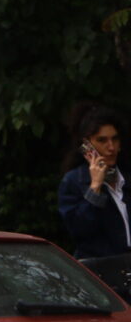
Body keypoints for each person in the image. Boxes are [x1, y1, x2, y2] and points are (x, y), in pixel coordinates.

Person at [58, 105, 130, 261]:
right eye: (102, 140)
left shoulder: (126, 178)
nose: (111, 147)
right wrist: (95, 187)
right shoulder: (74, 181)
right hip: (99, 272)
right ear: (87, 146)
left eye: (115, 139)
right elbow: (79, 231)